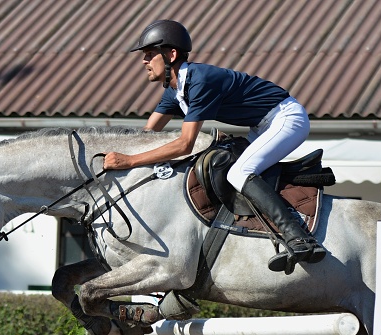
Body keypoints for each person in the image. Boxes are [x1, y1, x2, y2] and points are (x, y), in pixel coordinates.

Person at [104, 20, 325, 274]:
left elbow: (185, 144)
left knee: (239, 173)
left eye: (150, 54)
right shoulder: (174, 90)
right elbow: (146, 135)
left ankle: (299, 239)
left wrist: (130, 161)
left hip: (287, 118)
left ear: (171, 55)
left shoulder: (200, 81)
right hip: (262, 125)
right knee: (232, 172)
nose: (144, 61)